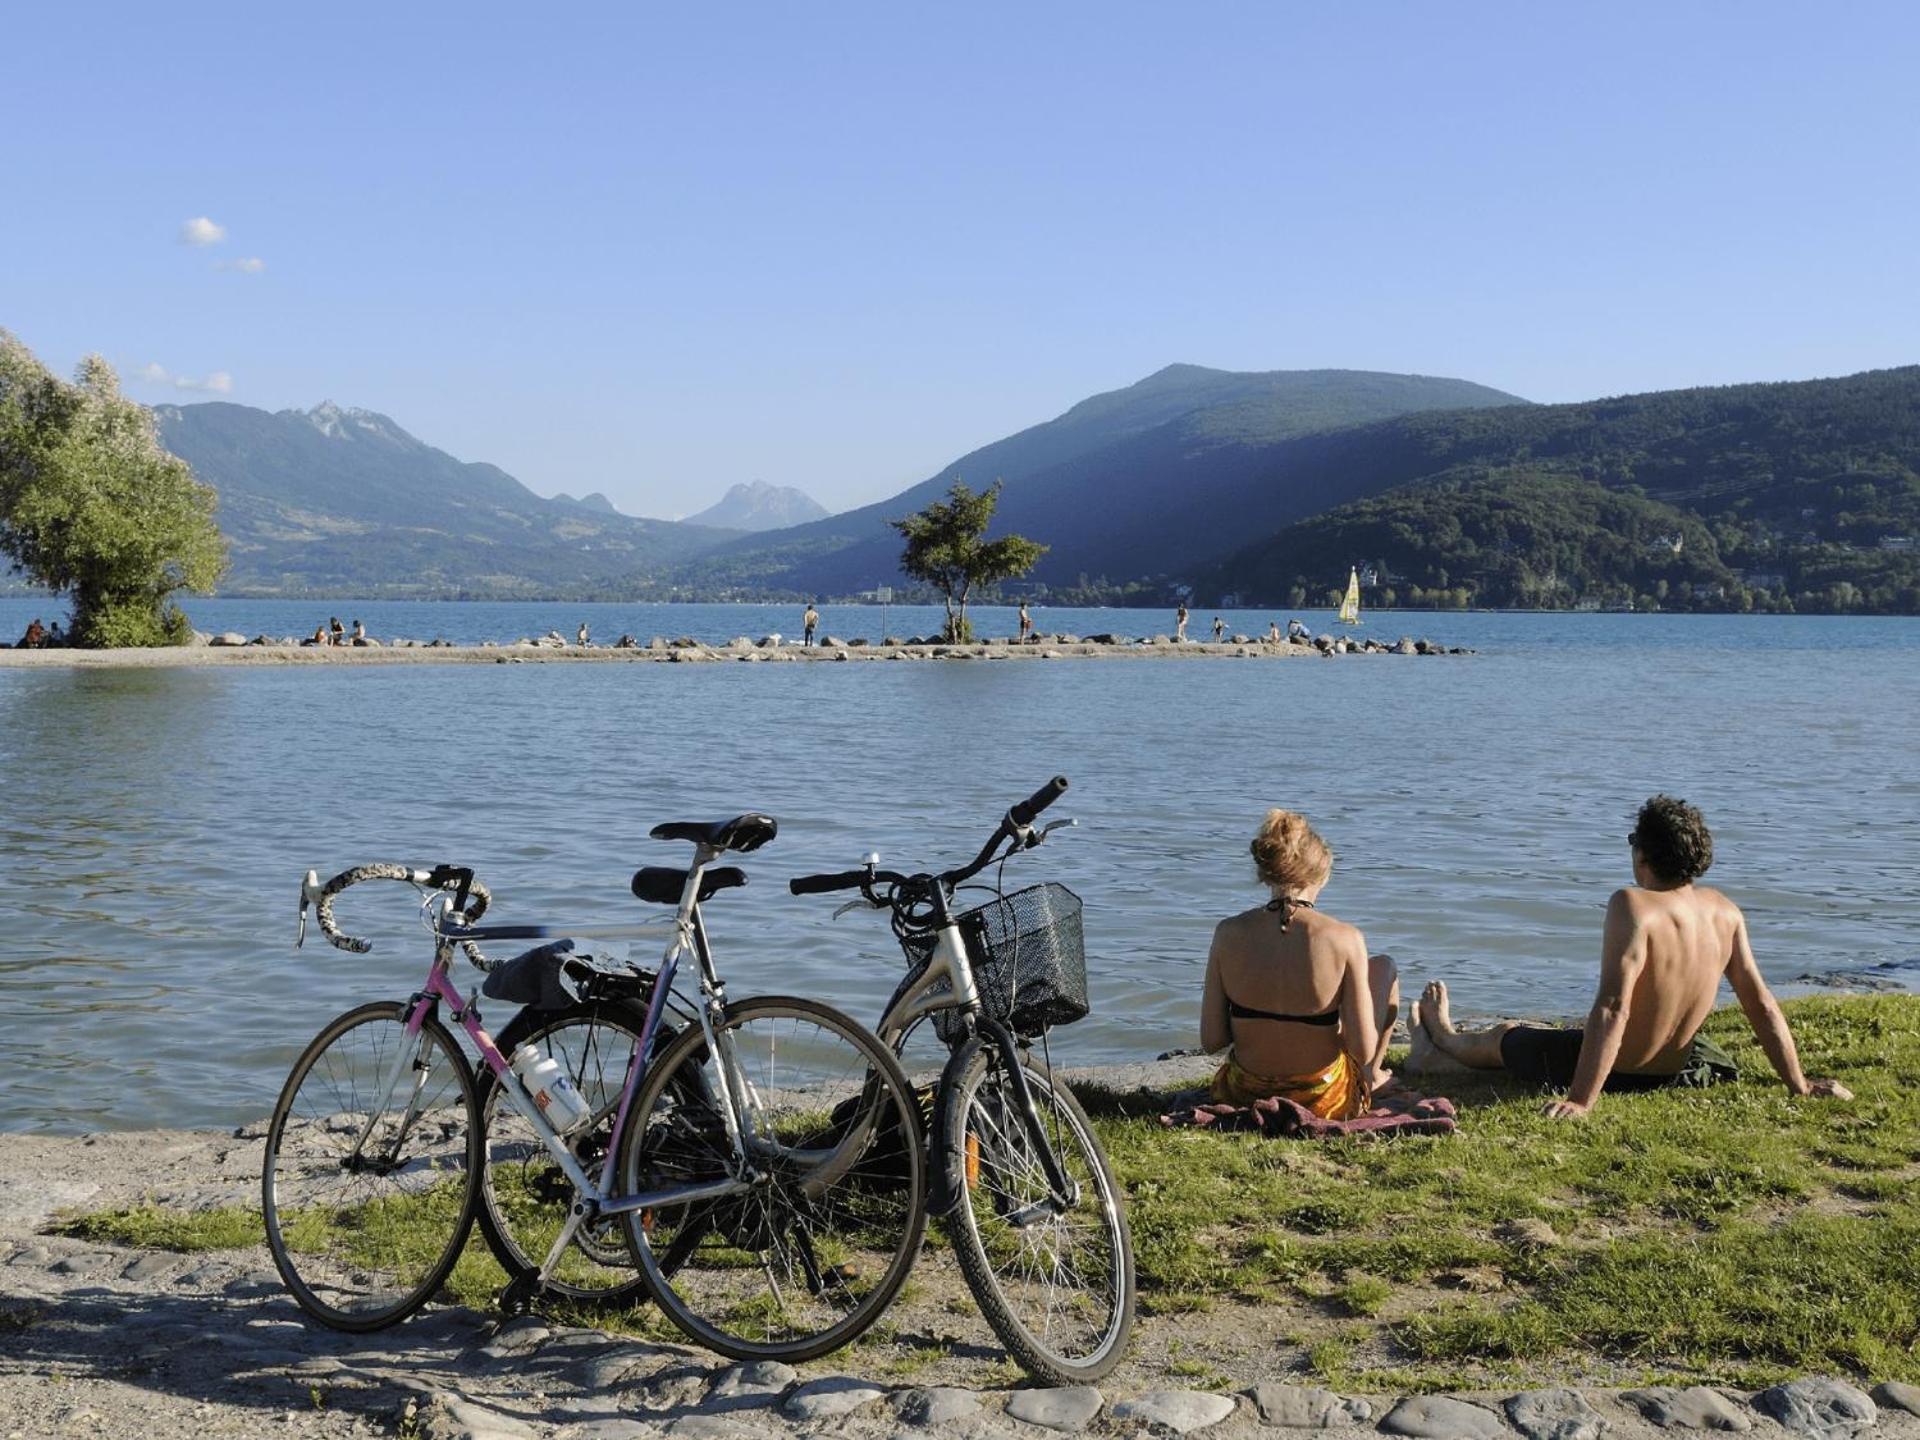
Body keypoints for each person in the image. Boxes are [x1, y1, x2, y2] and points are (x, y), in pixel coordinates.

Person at [1409, 795, 1854, 1118]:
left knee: (1507, 1035)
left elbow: (1614, 1007)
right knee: (1569, 1034)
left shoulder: (1633, 905)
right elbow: (1760, 1003)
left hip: (1622, 1071)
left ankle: (1442, 1042)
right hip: (1673, 1070)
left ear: (1643, 855)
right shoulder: (1725, 911)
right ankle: (1446, 1046)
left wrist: (1581, 1100)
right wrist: (1800, 1085)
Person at [1200, 809, 1400, 1118]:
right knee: (1384, 966)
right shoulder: (1345, 938)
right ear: (1321, 874)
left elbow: (1212, 1039)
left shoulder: (1227, 933)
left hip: (1244, 1092)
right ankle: (1372, 1078)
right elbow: (1362, 1049)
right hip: (1323, 1099)